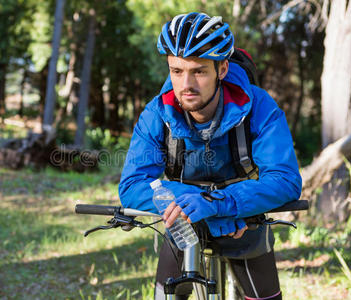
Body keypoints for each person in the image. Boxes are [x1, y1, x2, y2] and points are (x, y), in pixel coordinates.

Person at [118, 12, 302, 300]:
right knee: (164, 295)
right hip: (181, 222)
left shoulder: (259, 106)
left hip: (243, 218)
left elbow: (285, 179)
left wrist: (218, 203)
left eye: (199, 71)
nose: (185, 84)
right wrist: (193, 204)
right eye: (176, 71)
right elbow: (132, 185)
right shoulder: (157, 112)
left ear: (223, 68)